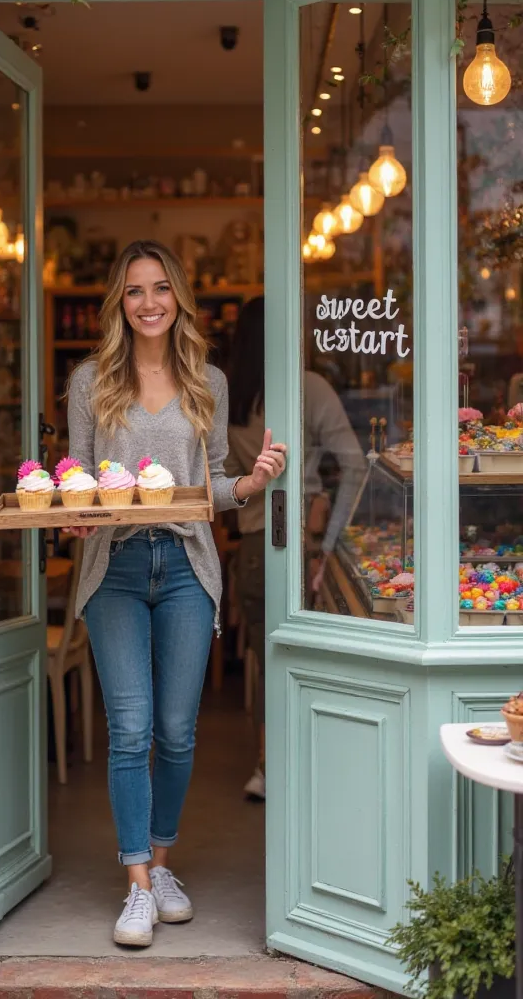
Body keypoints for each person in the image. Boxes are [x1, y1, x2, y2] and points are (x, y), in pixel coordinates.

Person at [63, 242, 287, 948]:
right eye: (134, 291)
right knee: (129, 730)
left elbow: (207, 487)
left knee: (178, 731)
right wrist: (75, 511)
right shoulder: (89, 380)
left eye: (161, 289)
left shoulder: (209, 382)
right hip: (117, 568)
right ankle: (135, 885)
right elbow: (80, 484)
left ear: (179, 299)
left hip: (188, 566)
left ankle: (162, 865)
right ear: (118, 304)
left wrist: (249, 486)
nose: (149, 302)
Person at [227, 296, 366, 800]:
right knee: (315, 661)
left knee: (270, 663)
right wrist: (330, 540)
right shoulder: (308, 387)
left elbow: (220, 481)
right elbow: (356, 463)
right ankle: (315, 766)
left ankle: (268, 767)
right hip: (301, 546)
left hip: (251, 550)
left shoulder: (232, 398)